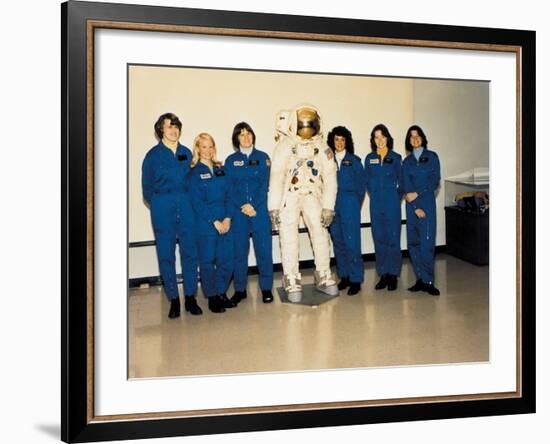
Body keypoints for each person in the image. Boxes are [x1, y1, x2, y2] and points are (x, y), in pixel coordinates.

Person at [268, 105, 338, 303]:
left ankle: (323, 273)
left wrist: (328, 207)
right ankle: (291, 276)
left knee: (320, 233)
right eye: (303, 123)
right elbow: (277, 177)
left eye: (310, 123)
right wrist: (273, 207)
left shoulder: (322, 147)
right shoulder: (285, 146)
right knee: (288, 236)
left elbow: (331, 178)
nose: (307, 126)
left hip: (312, 195)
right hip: (289, 196)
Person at [141, 113, 202, 318]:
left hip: (186, 207)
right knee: (166, 255)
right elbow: (147, 189)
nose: (173, 130)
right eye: (169, 127)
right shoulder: (152, 156)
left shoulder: (186, 153)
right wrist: (160, 204)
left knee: (190, 254)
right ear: (161, 130)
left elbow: (194, 183)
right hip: (162, 208)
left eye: (176, 127)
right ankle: (174, 300)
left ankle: (191, 298)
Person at [225, 122, 274, 305]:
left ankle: (266, 288)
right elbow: (229, 188)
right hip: (239, 213)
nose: (246, 137)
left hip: (259, 211)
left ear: (253, 136)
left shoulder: (263, 158)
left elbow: (264, 185)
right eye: (242, 134)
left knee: (264, 251)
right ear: (236, 138)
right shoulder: (230, 161)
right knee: (239, 252)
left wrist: (252, 205)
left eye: (248, 134)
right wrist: (242, 205)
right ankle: (240, 289)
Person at [188, 133, 236, 313]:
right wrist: (214, 221)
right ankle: (212, 297)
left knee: (227, 261)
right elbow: (196, 202)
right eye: (203, 147)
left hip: (226, 221)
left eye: (210, 147)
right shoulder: (194, 173)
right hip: (206, 224)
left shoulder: (221, 169)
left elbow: (231, 195)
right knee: (207, 262)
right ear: (198, 149)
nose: (207, 151)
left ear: (214, 148)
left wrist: (228, 218)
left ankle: (221, 291)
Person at [402, 125, 441, 295]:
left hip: (427, 204)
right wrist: (414, 205)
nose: (415, 139)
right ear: (408, 141)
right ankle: (419, 278)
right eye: (411, 137)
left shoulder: (432, 157)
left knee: (427, 244)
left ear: (423, 138)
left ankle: (428, 281)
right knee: (414, 243)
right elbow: (405, 183)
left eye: (417, 135)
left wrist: (417, 194)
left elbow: (434, 180)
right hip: (411, 207)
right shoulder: (407, 161)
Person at [327, 126, 365, 295]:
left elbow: (361, 186)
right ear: (332, 141)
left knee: (352, 243)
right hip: (333, 205)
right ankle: (345, 276)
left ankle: (356, 279)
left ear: (347, 142)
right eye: (336, 139)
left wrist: (355, 204)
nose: (340, 143)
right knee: (339, 243)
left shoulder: (354, 160)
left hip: (349, 204)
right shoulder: (327, 160)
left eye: (342, 140)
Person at [364, 124, 403, 291]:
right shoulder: (369, 158)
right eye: (376, 137)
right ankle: (383, 274)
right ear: (373, 140)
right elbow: (367, 181)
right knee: (379, 238)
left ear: (388, 138)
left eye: (382, 136)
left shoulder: (396, 157)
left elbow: (402, 182)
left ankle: (393, 274)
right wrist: (374, 193)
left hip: (392, 203)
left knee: (393, 239)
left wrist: (395, 197)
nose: (379, 140)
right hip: (376, 204)